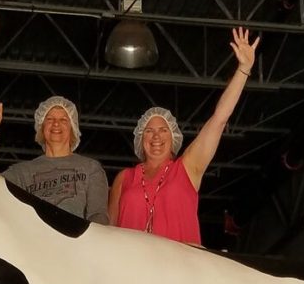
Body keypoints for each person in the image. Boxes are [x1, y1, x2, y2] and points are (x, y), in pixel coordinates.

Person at [108, 27, 260, 244]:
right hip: (133, 271)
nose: (156, 136)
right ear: (140, 139)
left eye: (163, 130)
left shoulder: (188, 167)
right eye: (149, 131)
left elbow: (218, 120)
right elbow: (108, 232)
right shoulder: (124, 178)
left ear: (174, 137)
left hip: (181, 271)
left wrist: (243, 69)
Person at [0, 94, 110, 224]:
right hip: (32, 247)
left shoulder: (90, 168)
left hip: (74, 248)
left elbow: (98, 216)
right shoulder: (21, 172)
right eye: (50, 119)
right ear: (41, 127)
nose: (56, 124)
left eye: (63, 120)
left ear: (73, 128)